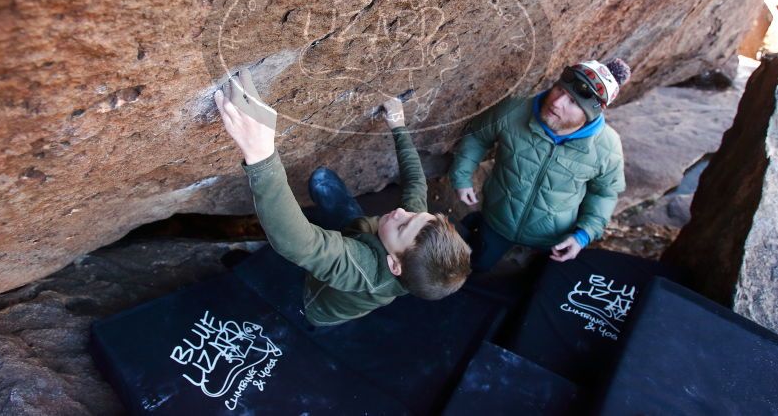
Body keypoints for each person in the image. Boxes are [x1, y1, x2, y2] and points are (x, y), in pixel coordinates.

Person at [214, 71, 472, 327]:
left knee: (277, 271)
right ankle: (348, 226)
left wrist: (261, 155)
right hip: (367, 237)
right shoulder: (415, 232)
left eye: (403, 224)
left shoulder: (365, 270)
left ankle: (246, 273)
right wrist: (398, 125)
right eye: (416, 215)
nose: (401, 213)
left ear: (394, 264)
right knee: (324, 183)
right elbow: (416, 182)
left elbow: (299, 243)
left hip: (313, 300)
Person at [449, 59, 631, 272]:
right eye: (560, 89)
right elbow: (478, 136)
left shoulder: (607, 147)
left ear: (591, 113)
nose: (557, 102)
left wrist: (583, 235)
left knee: (532, 280)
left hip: (554, 237)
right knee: (475, 267)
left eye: (573, 101)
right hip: (497, 220)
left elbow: (604, 194)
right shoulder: (513, 110)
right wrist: (461, 176)